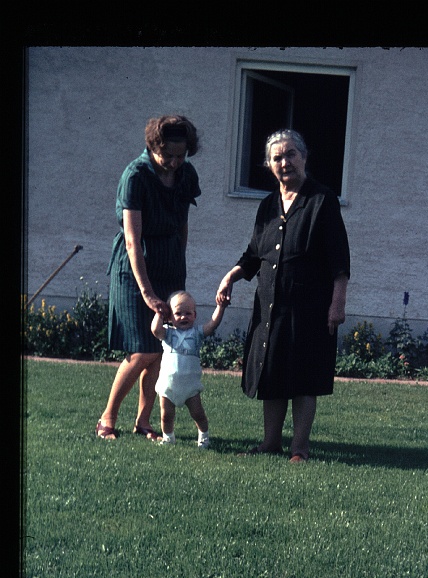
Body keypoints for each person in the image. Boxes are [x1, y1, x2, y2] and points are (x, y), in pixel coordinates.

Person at [217, 129, 350, 462]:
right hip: (270, 305)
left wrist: (337, 302)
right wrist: (231, 276)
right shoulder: (267, 205)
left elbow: (339, 258)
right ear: (268, 164)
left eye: (291, 154)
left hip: (311, 305)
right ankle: (270, 442)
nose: (284, 162)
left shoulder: (322, 200)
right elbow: (253, 254)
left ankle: (300, 448)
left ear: (304, 158)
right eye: (277, 157)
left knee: (304, 377)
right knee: (271, 371)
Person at [96, 114, 201, 440]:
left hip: (169, 264)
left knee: (161, 349)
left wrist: (177, 269)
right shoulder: (136, 176)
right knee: (142, 350)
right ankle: (107, 417)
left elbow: (182, 224)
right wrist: (146, 291)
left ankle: (144, 422)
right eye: (167, 154)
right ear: (153, 146)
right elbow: (132, 238)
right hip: (134, 267)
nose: (173, 162)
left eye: (180, 155)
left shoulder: (185, 175)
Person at [151, 290, 228, 447]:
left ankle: (204, 438)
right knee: (166, 415)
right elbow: (155, 330)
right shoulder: (167, 333)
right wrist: (159, 314)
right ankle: (168, 438)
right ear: (170, 317)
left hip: (190, 387)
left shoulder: (197, 333)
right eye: (178, 313)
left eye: (188, 313)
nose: (183, 317)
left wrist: (220, 307)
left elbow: (212, 324)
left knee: (198, 414)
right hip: (168, 385)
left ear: (195, 315)